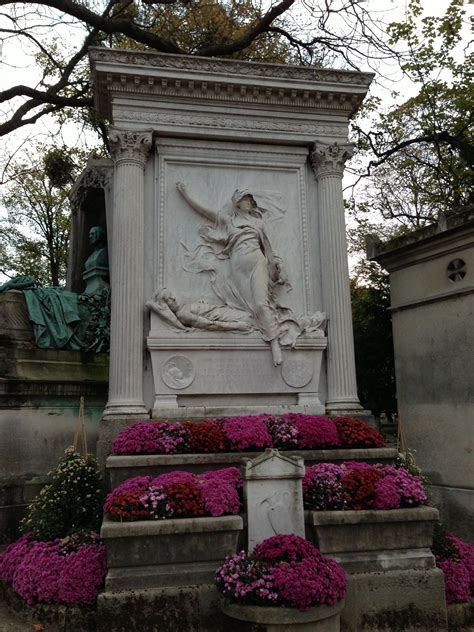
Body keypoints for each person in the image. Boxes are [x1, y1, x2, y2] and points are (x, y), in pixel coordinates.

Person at [176, 183, 287, 365]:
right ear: (237, 203)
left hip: (257, 262)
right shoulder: (229, 221)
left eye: (250, 199)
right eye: (245, 199)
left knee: (260, 303)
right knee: (247, 307)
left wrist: (277, 269)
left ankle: (274, 342)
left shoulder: (258, 223)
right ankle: (252, 335)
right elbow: (204, 211)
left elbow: (268, 248)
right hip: (238, 267)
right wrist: (186, 194)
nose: (249, 202)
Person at [147, 288, 253, 333]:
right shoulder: (183, 315)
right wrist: (237, 326)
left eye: (172, 295)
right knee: (254, 320)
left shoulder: (184, 307)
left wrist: (201, 305)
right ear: (166, 305)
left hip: (224, 310)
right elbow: (210, 324)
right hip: (227, 317)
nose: (174, 298)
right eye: (169, 299)